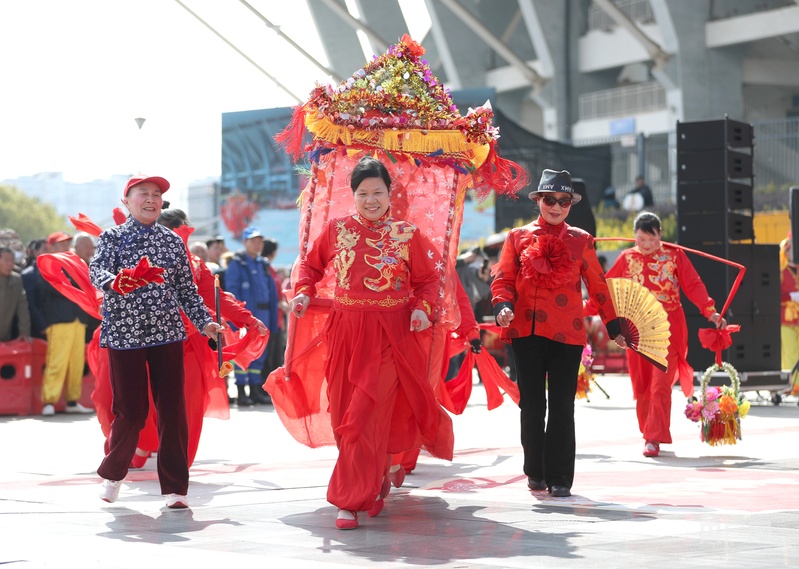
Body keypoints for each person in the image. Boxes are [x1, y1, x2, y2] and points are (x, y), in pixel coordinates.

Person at [286, 156, 452, 529]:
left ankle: (348, 500)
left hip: (390, 336)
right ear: (353, 195)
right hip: (345, 333)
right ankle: (374, 479)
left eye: (378, 192)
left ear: (391, 194)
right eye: (363, 193)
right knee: (346, 413)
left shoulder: (408, 235)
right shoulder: (336, 230)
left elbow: (428, 281)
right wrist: (303, 291)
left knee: (364, 413)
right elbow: (310, 267)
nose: (371, 199)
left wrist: (423, 308)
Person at [90, 175, 223, 509]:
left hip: (167, 334)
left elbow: (185, 290)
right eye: (143, 194)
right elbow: (97, 271)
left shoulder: (172, 241)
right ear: (127, 201)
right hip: (126, 335)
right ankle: (113, 474)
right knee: (131, 412)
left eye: (156, 195)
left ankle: (175, 488)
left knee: (173, 410)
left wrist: (205, 321)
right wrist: (116, 282)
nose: (150, 200)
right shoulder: (113, 237)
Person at [491, 169, 625, 498]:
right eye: (550, 199)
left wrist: (613, 325)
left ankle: (561, 477)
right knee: (532, 406)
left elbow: (598, 286)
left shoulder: (581, 240)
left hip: (568, 334)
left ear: (570, 205)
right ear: (538, 200)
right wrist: (502, 305)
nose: (556, 206)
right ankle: (534, 471)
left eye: (564, 201)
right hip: (526, 331)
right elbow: (503, 279)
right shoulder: (517, 237)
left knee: (563, 406)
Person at [107, 207, 268, 469]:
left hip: (190, 344)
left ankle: (178, 466)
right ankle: (133, 450)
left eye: (182, 233)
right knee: (139, 405)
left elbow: (216, 297)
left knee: (188, 406)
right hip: (146, 343)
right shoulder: (136, 259)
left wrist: (247, 318)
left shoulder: (193, 263)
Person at [606, 211, 726, 457]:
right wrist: (584, 307)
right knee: (642, 386)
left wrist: (710, 312)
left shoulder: (674, 255)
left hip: (668, 328)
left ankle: (653, 437)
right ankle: (648, 431)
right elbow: (606, 290)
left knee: (660, 384)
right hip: (636, 328)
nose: (647, 245)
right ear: (634, 237)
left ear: (660, 235)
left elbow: (693, 284)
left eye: (652, 239)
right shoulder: (626, 258)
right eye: (641, 239)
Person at [33, 232, 93, 416]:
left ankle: (72, 400)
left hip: (77, 320)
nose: (64, 247)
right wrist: (78, 283)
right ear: (51, 247)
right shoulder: (46, 262)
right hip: (59, 320)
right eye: (60, 244)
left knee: (76, 363)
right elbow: (58, 287)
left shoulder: (76, 263)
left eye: (67, 244)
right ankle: (48, 401)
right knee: (56, 362)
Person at [224, 226, 277, 406]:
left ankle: (255, 390)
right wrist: (239, 318)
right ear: (245, 242)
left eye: (259, 241)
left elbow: (272, 294)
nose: (257, 244)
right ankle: (241, 391)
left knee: (259, 354)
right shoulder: (237, 263)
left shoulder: (263, 265)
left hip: (264, 314)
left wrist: (274, 319)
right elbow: (232, 292)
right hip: (246, 317)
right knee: (242, 353)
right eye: (253, 240)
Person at [778, 233, 799, 395]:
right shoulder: (780, 271)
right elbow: (773, 295)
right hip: (785, 318)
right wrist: (791, 297)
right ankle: (793, 385)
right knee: (790, 353)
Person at [0, 246, 31, 342]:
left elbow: (22, 307)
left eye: (12, 260)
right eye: (6, 260)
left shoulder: (16, 280)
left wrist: (24, 332)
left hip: (5, 336)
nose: (10, 264)